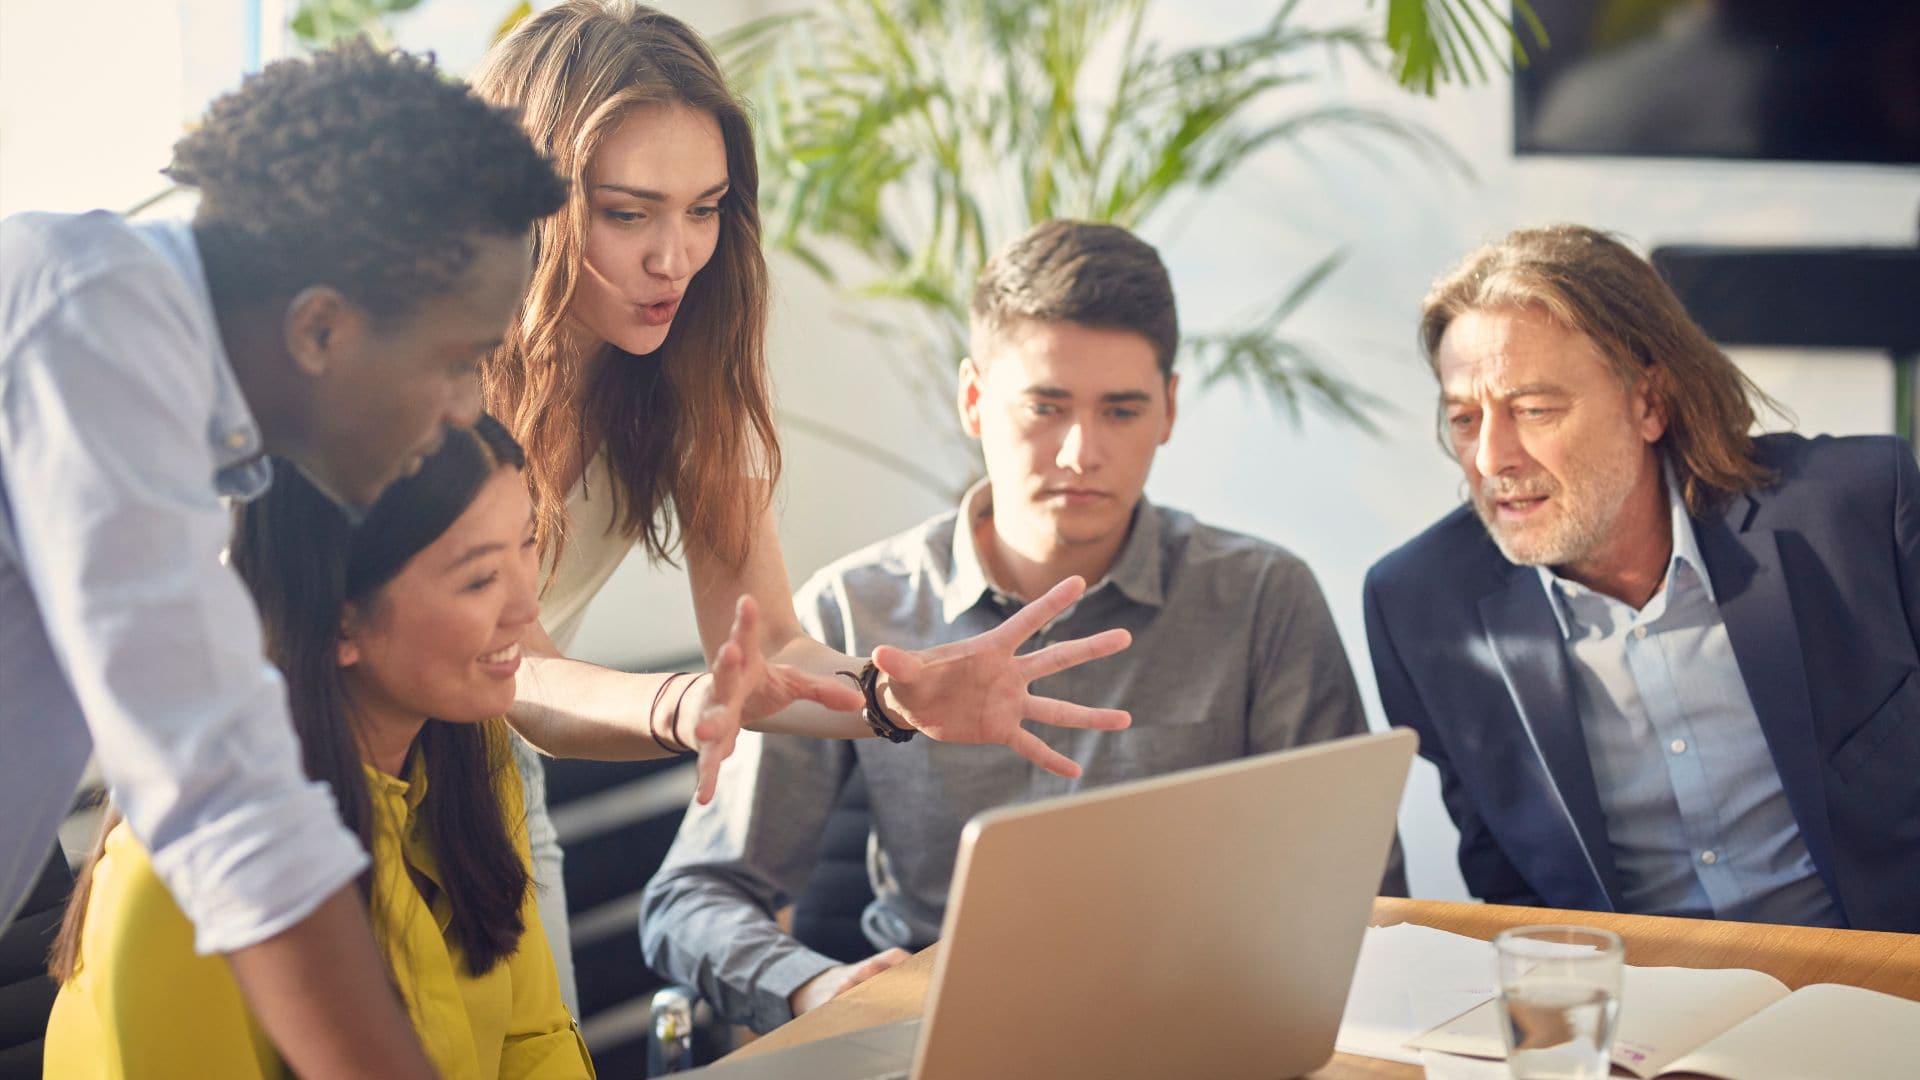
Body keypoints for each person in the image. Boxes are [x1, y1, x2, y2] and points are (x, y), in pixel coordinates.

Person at [471, 1, 1133, 1009]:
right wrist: (685, 705)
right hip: (315, 775)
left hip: (488, 785)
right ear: (527, 198)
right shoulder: (432, 370)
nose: (676, 257)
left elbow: (769, 642)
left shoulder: (692, 363)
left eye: (705, 208)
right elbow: (503, 664)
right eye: (628, 211)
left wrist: (889, 697)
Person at [640, 220, 1409, 1033]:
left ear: (1169, 409)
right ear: (973, 399)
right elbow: (693, 895)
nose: (1081, 451)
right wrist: (811, 987)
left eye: (1121, 410)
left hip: (1200, 1027)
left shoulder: (1261, 600)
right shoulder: (855, 612)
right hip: (939, 1035)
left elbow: (1356, 883)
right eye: (1045, 407)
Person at [0, 43, 565, 1074]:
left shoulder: (190, 426)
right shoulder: (91, 321)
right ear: (318, 329)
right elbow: (225, 797)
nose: (466, 412)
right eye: (454, 360)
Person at [1363, 224, 1920, 932]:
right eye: (1466, 419)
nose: (1490, 458)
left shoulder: (1859, 511)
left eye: (1534, 410)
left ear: (1649, 402)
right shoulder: (1417, 607)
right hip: (1636, 1014)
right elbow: (1511, 892)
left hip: (1875, 981)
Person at [47, 417, 601, 1077]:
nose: (526, 609)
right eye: (480, 579)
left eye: (529, 543)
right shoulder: (177, 876)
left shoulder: (471, 757)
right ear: (338, 619)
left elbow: (532, 1042)